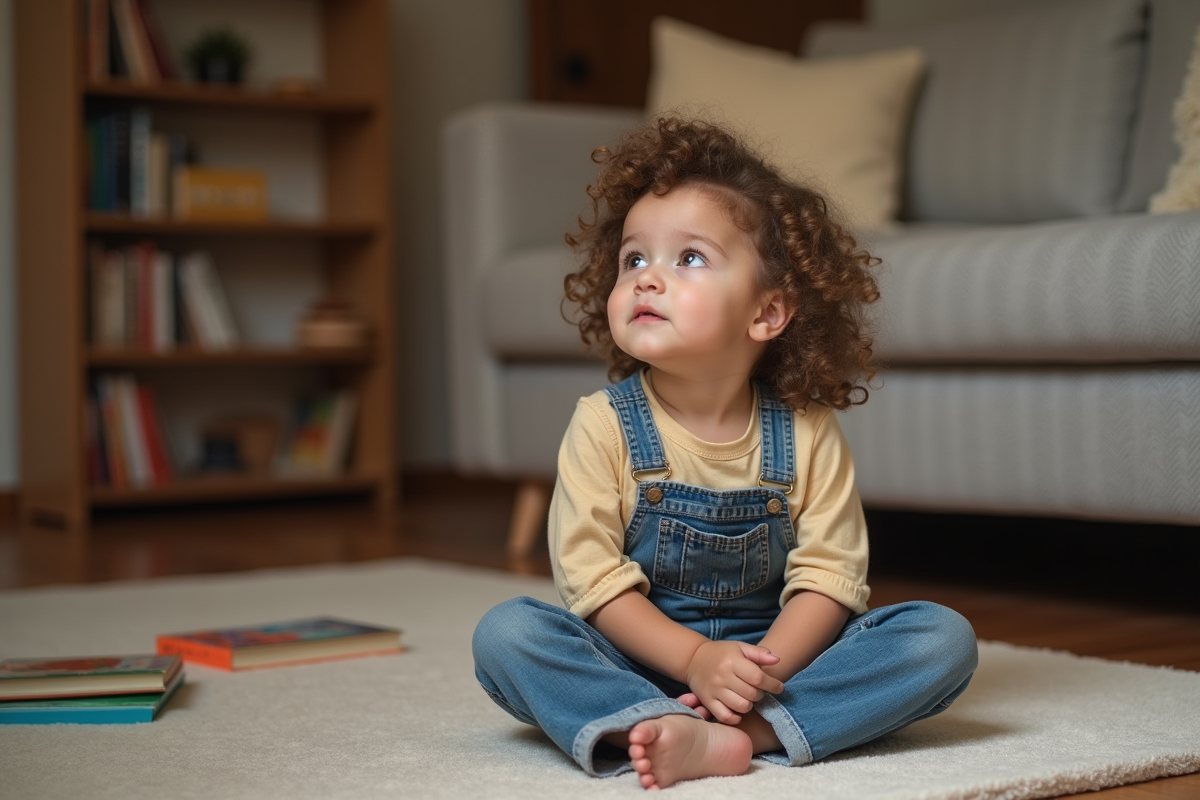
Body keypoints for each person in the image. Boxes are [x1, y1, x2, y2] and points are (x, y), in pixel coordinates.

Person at [472, 115, 978, 790]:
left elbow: (829, 581)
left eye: (688, 258)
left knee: (940, 640)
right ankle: (650, 717)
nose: (648, 278)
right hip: (639, 659)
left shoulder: (805, 431)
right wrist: (695, 660)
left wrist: (745, 677)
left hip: (774, 672)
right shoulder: (603, 425)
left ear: (767, 313)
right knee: (508, 635)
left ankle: (741, 735)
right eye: (634, 259)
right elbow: (592, 583)